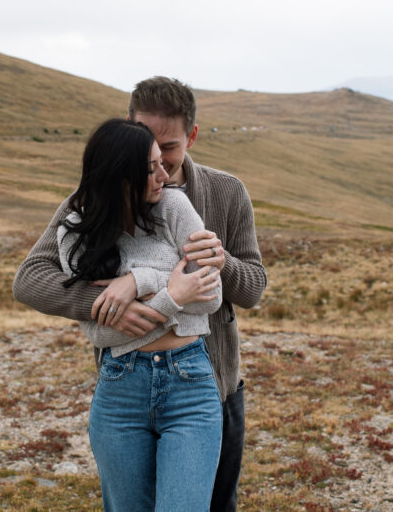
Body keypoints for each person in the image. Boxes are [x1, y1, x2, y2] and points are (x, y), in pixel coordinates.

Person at [14, 76, 267, 511]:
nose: (159, 165)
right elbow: (31, 277)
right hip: (122, 376)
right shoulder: (90, 201)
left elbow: (254, 288)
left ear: (191, 136)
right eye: (143, 141)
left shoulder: (225, 192)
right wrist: (103, 304)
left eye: (167, 147)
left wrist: (219, 262)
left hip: (212, 381)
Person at [58, 117, 224, 510]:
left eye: (161, 163)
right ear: (120, 176)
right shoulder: (75, 233)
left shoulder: (176, 207)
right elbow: (102, 335)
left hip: (191, 386)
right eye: (151, 168)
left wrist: (138, 281)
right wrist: (171, 296)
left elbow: (210, 298)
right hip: (120, 392)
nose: (164, 175)